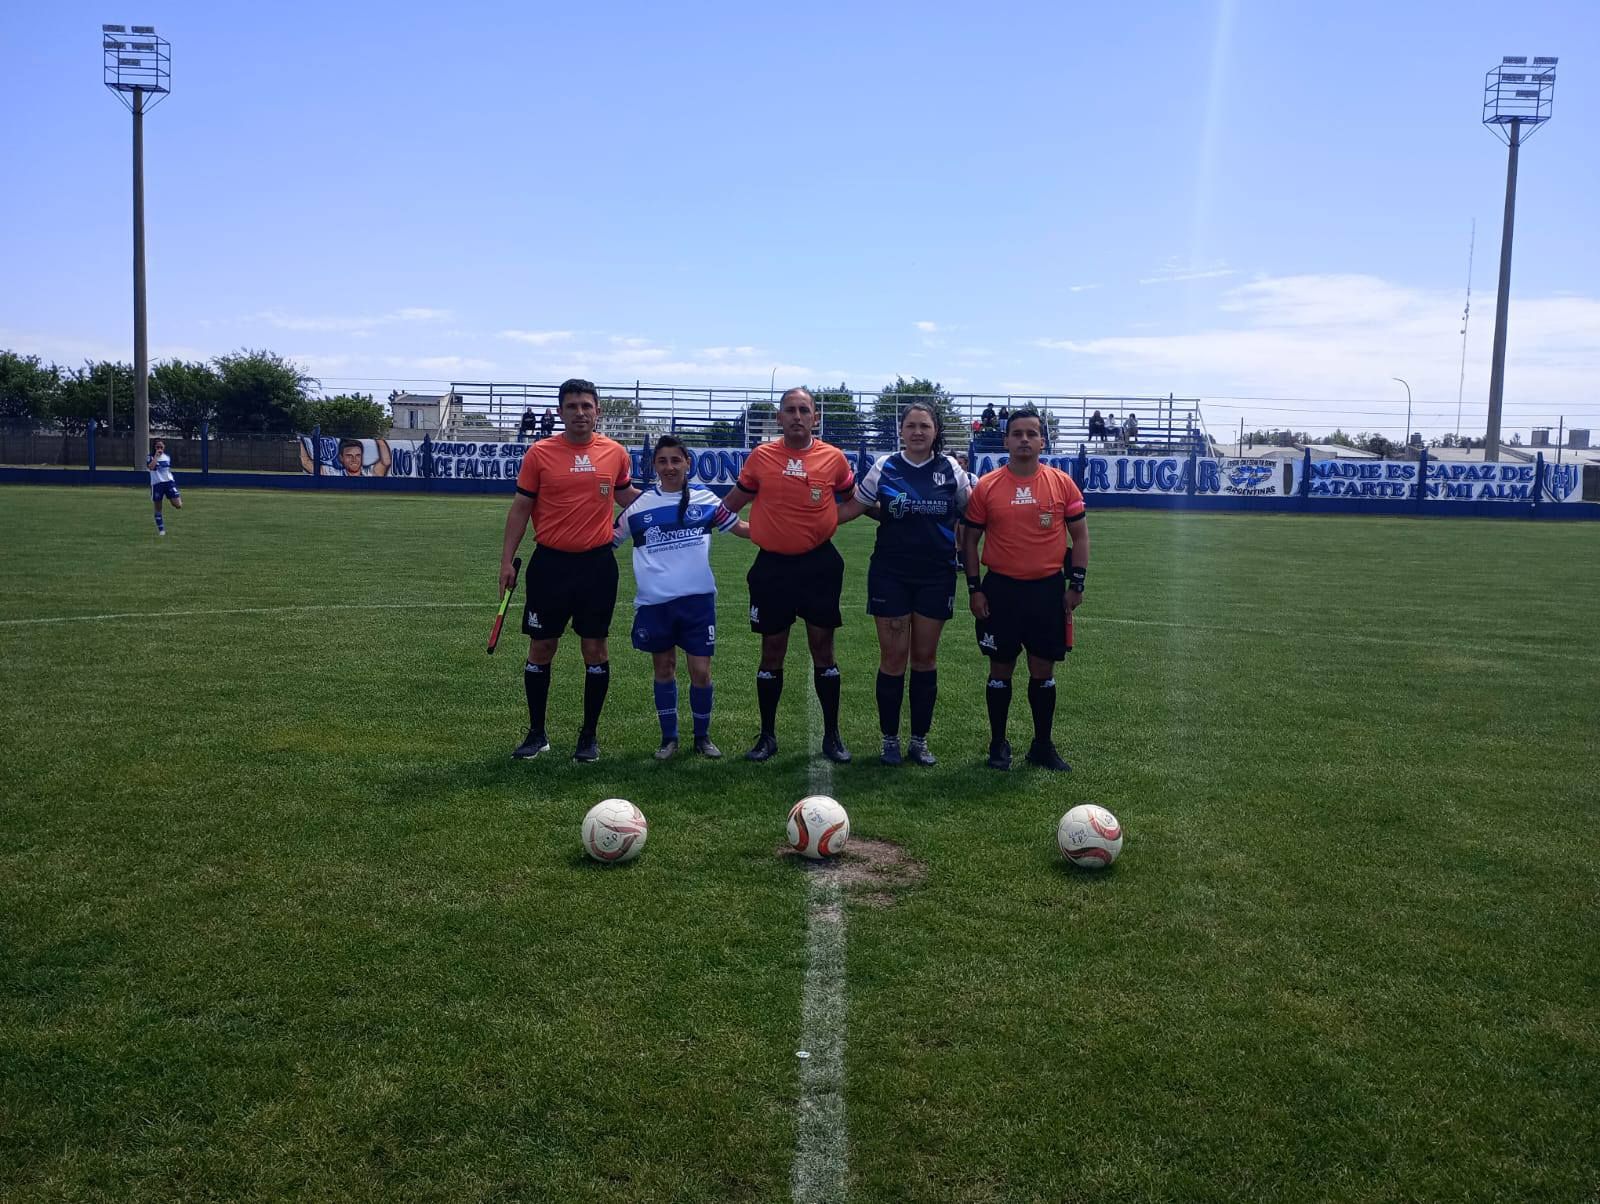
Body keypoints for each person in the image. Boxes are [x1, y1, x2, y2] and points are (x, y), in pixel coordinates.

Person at [499, 378, 640, 762]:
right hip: (550, 565)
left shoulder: (615, 453)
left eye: (586, 406)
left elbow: (626, 496)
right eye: (572, 406)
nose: (580, 412)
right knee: (542, 646)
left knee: (595, 648)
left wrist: (669, 503)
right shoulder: (540, 453)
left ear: (598, 411)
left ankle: (588, 737)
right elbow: (521, 509)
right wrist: (506, 561)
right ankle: (536, 734)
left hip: (597, 566)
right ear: (560, 412)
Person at [717, 387, 856, 763]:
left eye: (804, 410)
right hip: (772, 568)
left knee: (823, 649)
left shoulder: (833, 458)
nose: (797, 416)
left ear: (815, 418)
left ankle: (832, 735)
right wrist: (746, 529)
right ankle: (767, 736)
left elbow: (854, 500)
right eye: (790, 410)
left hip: (819, 565)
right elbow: (730, 505)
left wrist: (826, 522)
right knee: (771, 650)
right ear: (779, 418)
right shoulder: (762, 457)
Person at [837, 402, 974, 765]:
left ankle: (919, 740)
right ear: (900, 430)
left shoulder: (951, 470)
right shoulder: (885, 466)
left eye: (924, 426)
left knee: (925, 658)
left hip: (936, 575)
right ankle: (889, 739)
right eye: (910, 425)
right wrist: (809, 522)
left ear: (935, 431)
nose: (917, 432)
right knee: (894, 657)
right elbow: (854, 507)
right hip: (891, 574)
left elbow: (975, 511)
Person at [961, 408, 1089, 772]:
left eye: (1031, 434)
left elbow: (1080, 536)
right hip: (1000, 590)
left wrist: (1076, 583)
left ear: (1042, 441)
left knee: (1043, 669)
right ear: (1005, 441)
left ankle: (1042, 745)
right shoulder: (987, 486)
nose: (1024, 440)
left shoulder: (1062, 483)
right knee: (1000, 668)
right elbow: (968, 541)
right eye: (1017, 433)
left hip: (1047, 591)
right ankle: (998, 744)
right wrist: (974, 589)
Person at [612, 436, 750, 760]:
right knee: (664, 668)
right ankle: (669, 739)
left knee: (700, 672)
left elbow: (740, 528)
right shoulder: (639, 507)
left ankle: (702, 737)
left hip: (697, 603)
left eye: (676, 460)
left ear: (688, 463)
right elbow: (608, 541)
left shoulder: (707, 500)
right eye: (663, 461)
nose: (670, 467)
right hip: (655, 604)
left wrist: (785, 531)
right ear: (654, 466)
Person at [146, 439, 182, 535]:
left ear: (164, 447)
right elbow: (151, 467)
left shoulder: (167, 457)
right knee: (158, 508)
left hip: (169, 482)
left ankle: (171, 496)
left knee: (178, 505)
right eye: (157, 447)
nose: (159, 449)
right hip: (157, 484)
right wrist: (156, 457)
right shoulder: (150, 457)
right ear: (154, 447)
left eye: (161, 447)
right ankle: (161, 530)